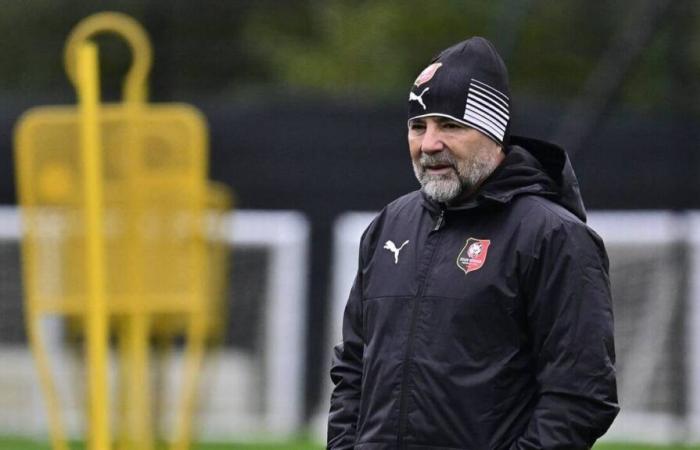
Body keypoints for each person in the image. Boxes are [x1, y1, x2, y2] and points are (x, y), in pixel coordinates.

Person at [327, 36, 619, 449]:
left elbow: (582, 395)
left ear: (494, 133)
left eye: (450, 125)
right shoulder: (389, 225)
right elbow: (353, 368)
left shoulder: (554, 235)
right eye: (418, 126)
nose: (429, 144)